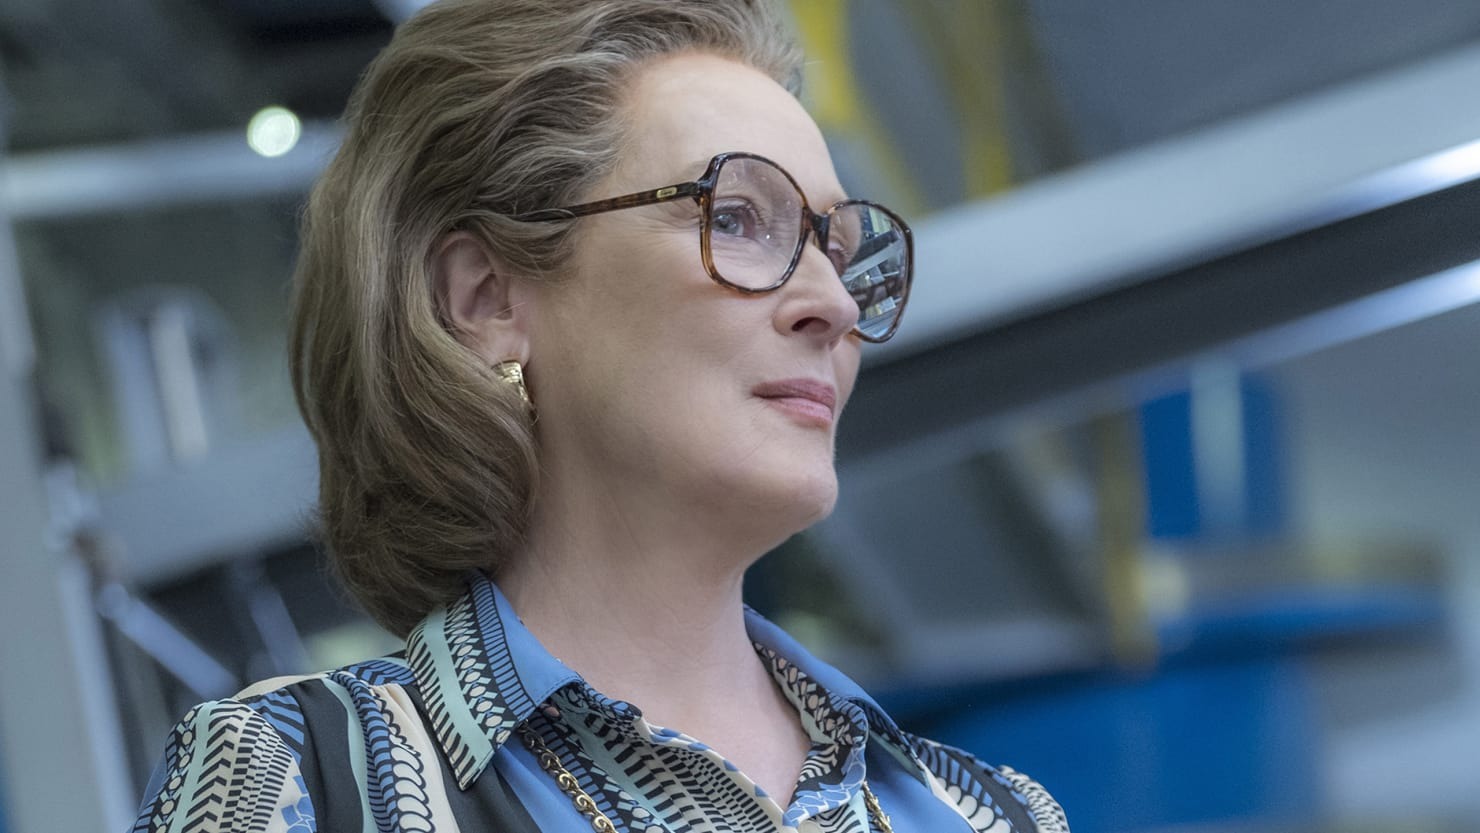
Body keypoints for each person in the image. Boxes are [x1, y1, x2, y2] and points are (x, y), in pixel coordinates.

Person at [132, 1, 1069, 830]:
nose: (832, 301)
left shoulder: (991, 815)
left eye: (841, 248)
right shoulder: (296, 781)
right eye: (736, 217)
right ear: (487, 298)